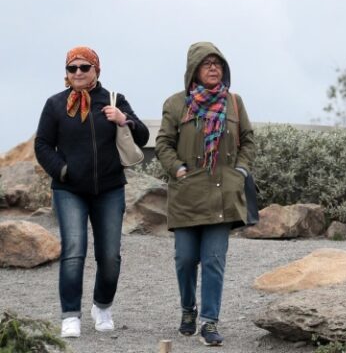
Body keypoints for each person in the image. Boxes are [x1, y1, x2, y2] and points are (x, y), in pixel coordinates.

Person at [34, 46, 149, 338]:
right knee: (73, 251)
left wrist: (124, 120)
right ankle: (70, 314)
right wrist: (62, 170)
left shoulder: (114, 100)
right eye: (72, 68)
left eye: (84, 67)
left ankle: (102, 306)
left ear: (96, 69)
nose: (78, 73)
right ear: (67, 73)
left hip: (109, 189)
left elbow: (143, 136)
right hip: (69, 190)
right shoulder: (55, 104)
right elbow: (43, 145)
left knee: (110, 256)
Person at [155, 42, 256, 347]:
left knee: (213, 259)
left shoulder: (234, 103)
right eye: (206, 63)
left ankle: (209, 321)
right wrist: (178, 170)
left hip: (221, 194)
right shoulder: (176, 104)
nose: (214, 68)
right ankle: (188, 309)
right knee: (185, 259)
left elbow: (248, 141)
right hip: (187, 193)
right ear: (194, 71)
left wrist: (240, 171)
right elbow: (162, 144)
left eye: (218, 63)